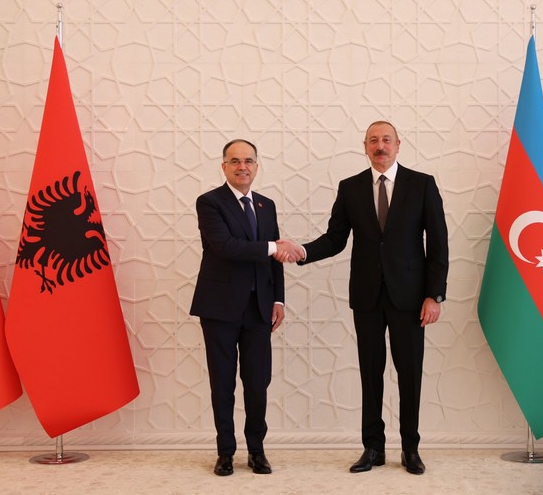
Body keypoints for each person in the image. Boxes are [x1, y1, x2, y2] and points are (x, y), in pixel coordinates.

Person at [277, 121, 449, 475]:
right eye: (373, 141)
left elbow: (438, 243)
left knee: (410, 374)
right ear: (365, 146)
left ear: (398, 144)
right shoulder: (351, 187)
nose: (380, 146)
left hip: (410, 298)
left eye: (386, 140)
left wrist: (434, 295)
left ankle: (411, 449)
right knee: (370, 374)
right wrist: (303, 251)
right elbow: (335, 238)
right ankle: (373, 447)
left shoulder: (422, 184)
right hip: (367, 296)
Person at [190, 139, 292, 476]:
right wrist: (273, 246)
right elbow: (225, 246)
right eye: (234, 161)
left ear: (256, 166)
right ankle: (225, 453)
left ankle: (257, 451)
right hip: (219, 308)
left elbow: (275, 260)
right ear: (224, 166)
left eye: (248, 160)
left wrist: (278, 299)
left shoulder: (266, 205)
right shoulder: (210, 202)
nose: (242, 167)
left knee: (257, 383)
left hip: (260, 309)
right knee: (223, 384)